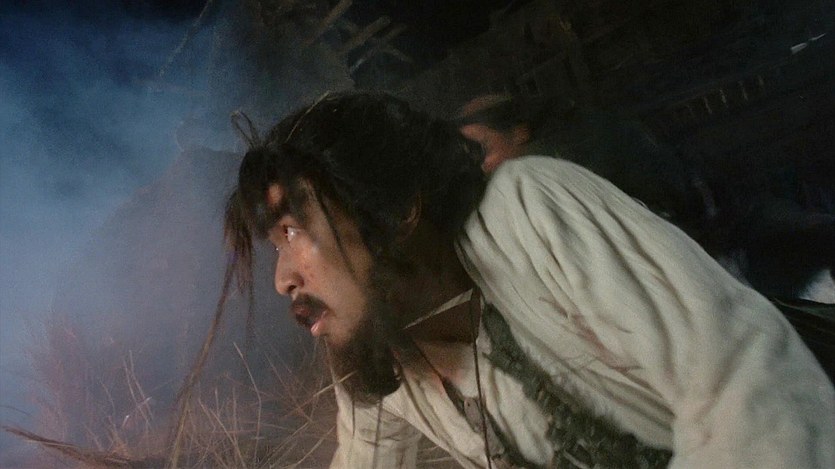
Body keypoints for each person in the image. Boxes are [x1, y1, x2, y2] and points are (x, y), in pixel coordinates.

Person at [224, 91, 834, 468]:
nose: (282, 278)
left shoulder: (527, 210)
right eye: (275, 244)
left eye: (293, 230)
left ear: (397, 209)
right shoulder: (379, 347)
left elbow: (747, 391)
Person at [454, 94, 701, 225]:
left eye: (483, 148)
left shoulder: (576, 160)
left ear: (519, 132)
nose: (482, 166)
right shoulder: (549, 162)